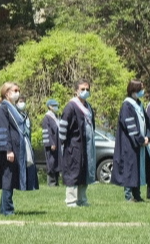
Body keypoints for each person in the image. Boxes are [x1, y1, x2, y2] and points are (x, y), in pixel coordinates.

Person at [0, 82, 38, 215]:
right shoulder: (3, 108)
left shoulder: (12, 107)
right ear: (7, 93)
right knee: (8, 179)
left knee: (11, 179)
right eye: (15, 90)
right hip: (8, 150)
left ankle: (3, 209)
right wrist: (8, 150)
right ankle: (7, 210)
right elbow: (2, 130)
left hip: (15, 149)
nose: (18, 93)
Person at [112, 79, 150, 202]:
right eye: (140, 89)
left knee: (137, 169)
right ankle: (129, 196)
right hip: (129, 143)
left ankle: (137, 195)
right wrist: (140, 139)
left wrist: (147, 136)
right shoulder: (127, 106)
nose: (142, 91)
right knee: (130, 168)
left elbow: (147, 122)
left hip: (140, 143)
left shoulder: (139, 104)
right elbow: (130, 126)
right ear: (133, 90)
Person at [60, 79, 95, 208]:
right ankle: (71, 200)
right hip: (73, 145)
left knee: (84, 171)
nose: (85, 92)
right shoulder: (71, 106)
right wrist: (64, 143)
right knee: (73, 171)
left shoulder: (88, 106)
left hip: (86, 146)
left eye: (87, 89)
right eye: (82, 89)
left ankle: (82, 199)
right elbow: (63, 126)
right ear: (76, 91)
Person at [42, 99, 62, 186]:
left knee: (57, 162)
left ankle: (56, 182)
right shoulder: (47, 118)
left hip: (58, 143)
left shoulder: (56, 116)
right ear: (50, 106)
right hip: (51, 144)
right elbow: (47, 132)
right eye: (54, 105)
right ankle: (51, 182)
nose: (56, 107)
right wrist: (51, 143)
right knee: (51, 162)